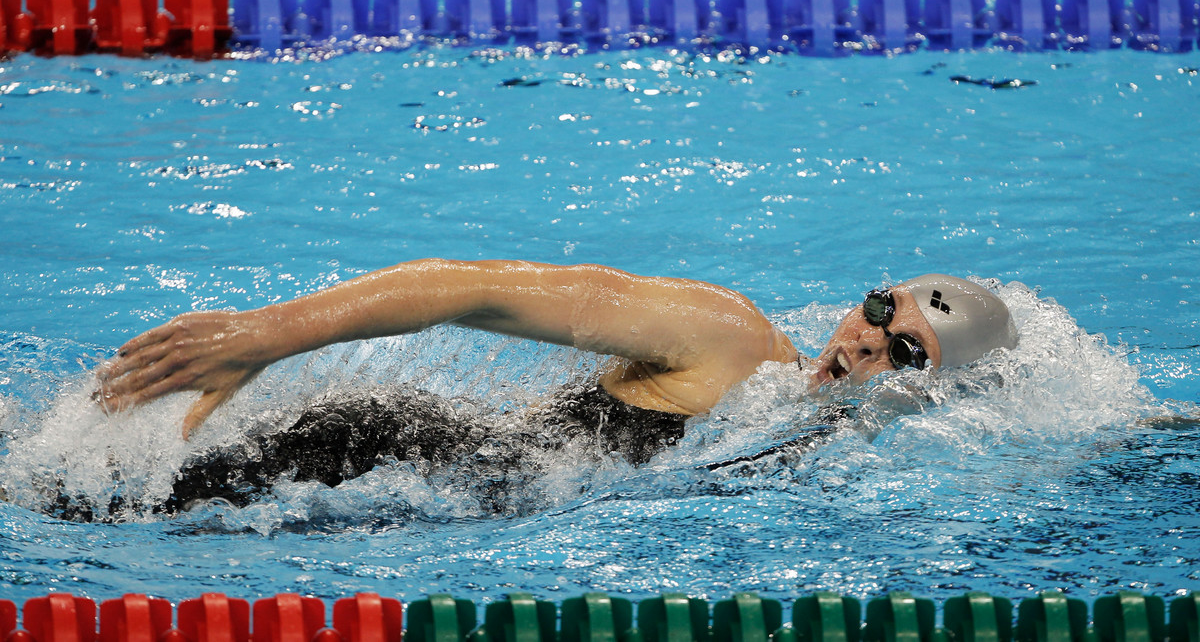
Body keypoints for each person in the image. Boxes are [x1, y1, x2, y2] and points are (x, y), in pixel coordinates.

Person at [92, 259, 1018, 515]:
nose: (864, 345)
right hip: (374, 450)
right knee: (81, 503)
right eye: (877, 310)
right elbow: (475, 290)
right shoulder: (730, 338)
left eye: (904, 354)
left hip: (424, 507)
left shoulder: (843, 445)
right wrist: (269, 335)